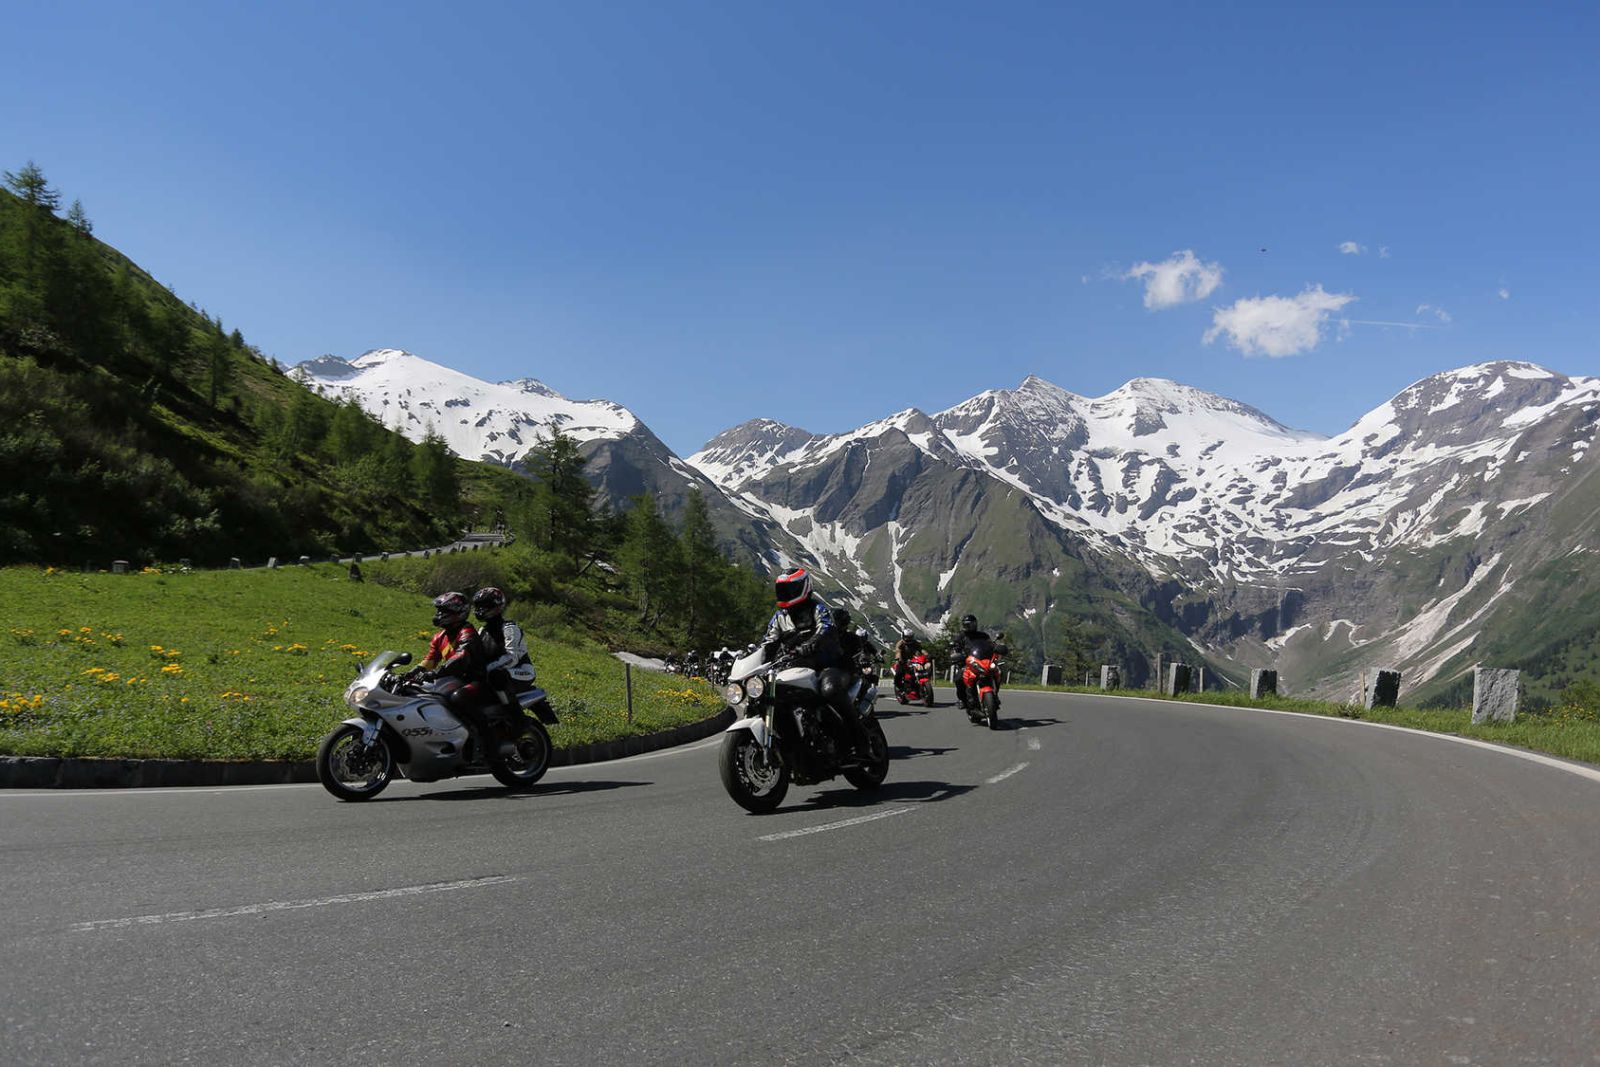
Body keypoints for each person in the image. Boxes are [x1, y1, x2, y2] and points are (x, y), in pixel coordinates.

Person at [761, 567, 869, 754]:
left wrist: (812, 643)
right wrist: (755, 657)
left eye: (791, 589)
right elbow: (768, 642)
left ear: (804, 588)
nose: (786, 594)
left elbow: (826, 628)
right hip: (797, 667)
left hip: (830, 665)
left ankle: (859, 739)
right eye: (783, 590)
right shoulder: (780, 617)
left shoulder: (817, 608)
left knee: (830, 690)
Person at [434, 586, 535, 759]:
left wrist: (488, 668)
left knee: (497, 677)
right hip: (495, 670)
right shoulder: (481, 631)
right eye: (478, 606)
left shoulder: (509, 628)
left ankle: (518, 720)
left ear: (497, 606)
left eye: (486, 605)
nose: (481, 610)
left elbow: (512, 657)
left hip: (520, 671)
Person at [950, 614, 1007, 710]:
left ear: (975, 624)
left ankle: (995, 695)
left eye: (971, 624)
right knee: (959, 678)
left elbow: (991, 645)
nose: (969, 626)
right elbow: (955, 648)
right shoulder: (961, 636)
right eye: (966, 624)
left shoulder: (983, 636)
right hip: (967, 663)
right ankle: (963, 700)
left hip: (983, 660)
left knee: (998, 671)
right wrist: (957, 654)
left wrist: (998, 648)